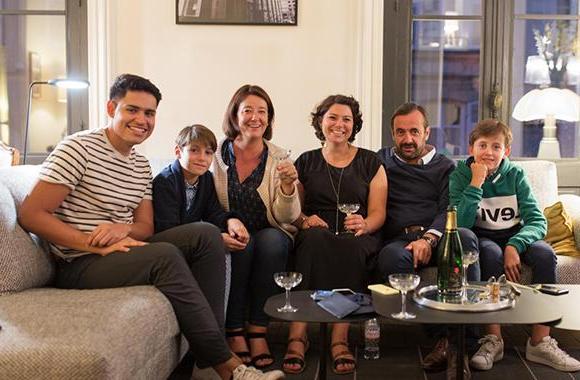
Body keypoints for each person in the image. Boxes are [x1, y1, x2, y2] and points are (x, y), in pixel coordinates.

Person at [18, 74, 284, 380]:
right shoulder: (78, 148)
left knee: (206, 233)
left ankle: (207, 356)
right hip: (78, 262)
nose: (141, 119)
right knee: (165, 256)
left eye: (149, 113)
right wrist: (90, 242)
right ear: (111, 108)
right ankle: (228, 367)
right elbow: (31, 214)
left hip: (119, 252)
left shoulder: (140, 165)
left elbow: (145, 227)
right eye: (132, 110)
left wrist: (122, 230)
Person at [449, 119, 580, 372]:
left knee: (544, 253)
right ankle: (493, 339)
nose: (489, 152)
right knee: (489, 253)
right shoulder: (460, 175)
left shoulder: (516, 174)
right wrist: (476, 183)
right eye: (482, 145)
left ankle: (540, 340)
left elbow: (537, 221)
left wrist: (515, 245)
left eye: (496, 146)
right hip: (482, 237)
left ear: (506, 151)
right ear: (471, 148)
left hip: (515, 236)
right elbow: (460, 224)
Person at [283, 95, 387, 375]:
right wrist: (305, 219)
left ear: (354, 125)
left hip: (357, 231)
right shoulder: (305, 161)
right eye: (333, 117)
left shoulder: (370, 161)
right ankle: (298, 333)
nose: (339, 124)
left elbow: (379, 212)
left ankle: (339, 338)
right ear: (321, 121)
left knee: (351, 246)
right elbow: (293, 208)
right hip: (316, 230)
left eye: (346, 119)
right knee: (314, 241)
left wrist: (365, 224)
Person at [376, 102, 480, 378]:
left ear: (427, 133)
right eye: (400, 132)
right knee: (390, 257)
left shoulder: (446, 167)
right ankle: (442, 340)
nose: (407, 139)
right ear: (392, 134)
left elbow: (450, 208)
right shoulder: (380, 161)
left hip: (439, 237)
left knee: (466, 238)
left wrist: (428, 239)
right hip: (399, 241)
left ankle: (462, 344)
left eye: (414, 131)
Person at [212, 84, 301, 369]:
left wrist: (288, 187)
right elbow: (205, 202)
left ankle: (258, 330)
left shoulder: (279, 158)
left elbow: (286, 216)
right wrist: (225, 226)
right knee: (243, 245)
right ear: (234, 115)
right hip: (228, 229)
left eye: (262, 111)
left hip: (271, 229)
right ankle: (234, 330)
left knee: (271, 242)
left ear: (269, 118)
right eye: (247, 110)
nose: (255, 117)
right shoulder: (213, 154)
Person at [152, 124, 250, 308]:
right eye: (194, 150)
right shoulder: (165, 182)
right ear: (178, 152)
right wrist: (213, 239)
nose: (202, 158)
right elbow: (168, 230)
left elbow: (213, 211)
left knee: (228, 254)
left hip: (193, 241)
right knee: (217, 248)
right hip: (166, 246)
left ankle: (220, 323)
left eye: (208, 152)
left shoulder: (206, 179)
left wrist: (231, 220)